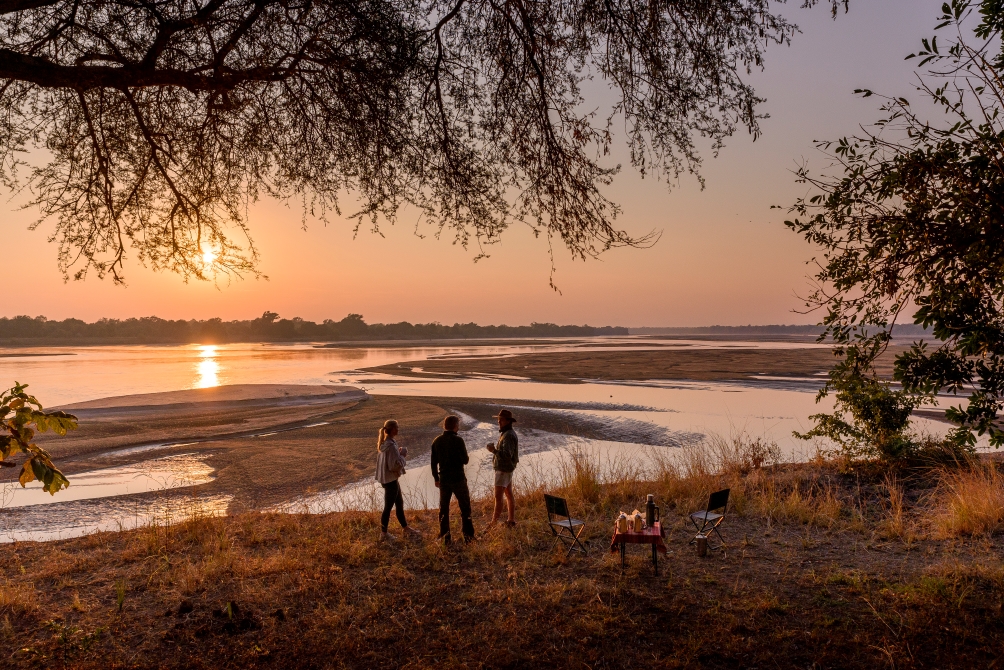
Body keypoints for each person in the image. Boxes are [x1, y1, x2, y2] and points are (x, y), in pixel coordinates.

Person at [430, 415, 474, 544]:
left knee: (444, 509)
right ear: (455, 426)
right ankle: (468, 536)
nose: (458, 427)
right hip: (458, 478)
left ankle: (445, 536)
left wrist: (436, 478)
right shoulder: (458, 440)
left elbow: (433, 463)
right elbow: (465, 460)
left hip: (444, 479)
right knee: (465, 507)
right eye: (458, 425)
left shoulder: (437, 441)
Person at [374, 419, 421, 541]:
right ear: (391, 429)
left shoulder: (384, 443)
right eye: (397, 428)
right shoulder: (390, 445)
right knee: (388, 507)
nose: (398, 430)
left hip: (387, 479)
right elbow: (394, 465)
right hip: (390, 480)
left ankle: (406, 529)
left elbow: (389, 462)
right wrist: (403, 455)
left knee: (399, 503)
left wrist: (398, 454)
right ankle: (383, 534)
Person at [486, 408, 519, 528]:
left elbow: (506, 455)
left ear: (508, 421)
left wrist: (493, 450)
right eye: (499, 419)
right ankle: (511, 520)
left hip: (503, 470)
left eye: (501, 420)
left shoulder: (508, 435)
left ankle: (494, 522)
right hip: (506, 469)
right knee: (509, 494)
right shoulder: (507, 433)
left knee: (498, 497)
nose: (499, 422)